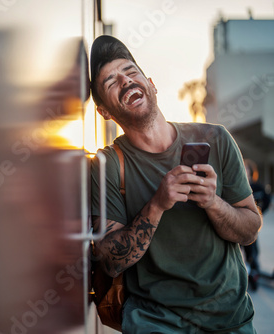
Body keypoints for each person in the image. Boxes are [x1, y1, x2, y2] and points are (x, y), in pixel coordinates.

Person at [89, 35, 262, 333]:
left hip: (229, 319)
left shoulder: (217, 139)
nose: (126, 81)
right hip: (155, 323)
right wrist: (157, 205)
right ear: (104, 111)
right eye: (111, 82)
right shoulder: (107, 165)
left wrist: (212, 202)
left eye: (130, 72)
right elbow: (111, 263)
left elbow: (249, 231)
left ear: (151, 84)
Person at [243, 159, 271, 290]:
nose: (244, 170)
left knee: (252, 253)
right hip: (237, 225)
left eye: (246, 168)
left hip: (251, 227)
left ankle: (254, 275)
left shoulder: (258, 187)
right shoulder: (236, 186)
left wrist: (258, 215)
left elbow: (267, 200)